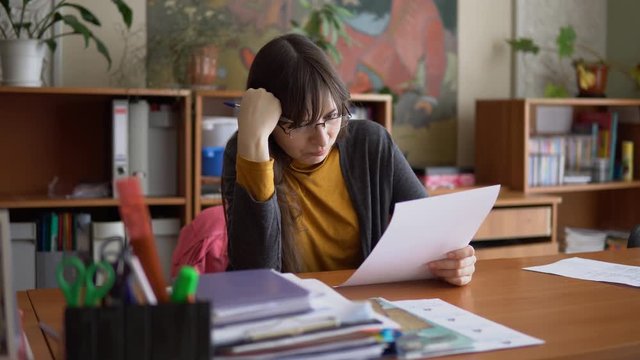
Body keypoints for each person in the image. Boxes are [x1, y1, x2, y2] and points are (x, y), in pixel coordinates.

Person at [222, 33, 476, 286]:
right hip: (290, 311)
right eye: (300, 125)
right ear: (270, 123)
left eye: (332, 116)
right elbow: (255, 277)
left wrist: (455, 262)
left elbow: (431, 233)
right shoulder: (246, 151)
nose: (322, 139)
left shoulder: (370, 144)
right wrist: (254, 141)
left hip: (367, 307)